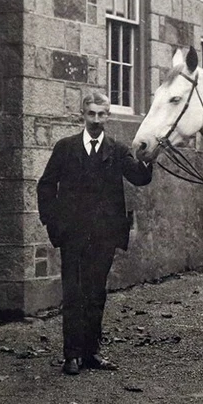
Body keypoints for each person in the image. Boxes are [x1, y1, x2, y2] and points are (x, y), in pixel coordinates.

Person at [37, 91, 153, 375]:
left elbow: (139, 177)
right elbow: (46, 186)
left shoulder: (116, 150)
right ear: (83, 114)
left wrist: (148, 158)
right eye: (92, 114)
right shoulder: (65, 148)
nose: (97, 120)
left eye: (102, 115)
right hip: (73, 235)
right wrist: (54, 223)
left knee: (95, 293)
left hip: (104, 236)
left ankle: (91, 352)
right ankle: (72, 355)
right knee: (73, 293)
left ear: (108, 116)